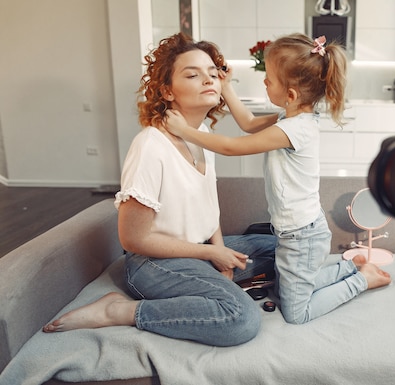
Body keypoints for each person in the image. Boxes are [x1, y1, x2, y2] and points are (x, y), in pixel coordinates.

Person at [42, 32, 276, 346]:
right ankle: (119, 311)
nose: (208, 80)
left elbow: (208, 207)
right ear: (166, 91)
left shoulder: (201, 133)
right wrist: (211, 253)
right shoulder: (151, 146)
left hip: (199, 252)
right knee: (241, 320)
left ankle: (208, 286)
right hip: (153, 264)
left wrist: (220, 254)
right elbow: (133, 239)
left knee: (287, 248)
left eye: (212, 73)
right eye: (192, 74)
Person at [165, 33, 391, 325]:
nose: (264, 83)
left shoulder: (294, 130)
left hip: (303, 236)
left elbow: (232, 147)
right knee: (286, 287)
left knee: (297, 313)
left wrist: (185, 131)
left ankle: (362, 280)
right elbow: (247, 123)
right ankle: (350, 269)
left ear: (291, 95)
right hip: (296, 233)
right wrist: (226, 87)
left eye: (269, 80)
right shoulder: (290, 118)